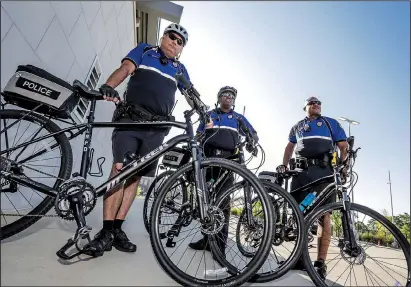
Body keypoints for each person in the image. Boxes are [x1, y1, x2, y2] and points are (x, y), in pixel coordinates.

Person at [83, 23, 191, 257]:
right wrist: (109, 86)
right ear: (163, 37)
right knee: (120, 169)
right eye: (172, 37)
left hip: (157, 129)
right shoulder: (145, 51)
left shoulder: (180, 68)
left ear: (182, 48)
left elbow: (191, 93)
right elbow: (125, 68)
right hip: (130, 118)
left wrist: (203, 111)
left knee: (135, 177)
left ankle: (117, 229)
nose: (175, 42)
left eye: (180, 41)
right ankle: (106, 231)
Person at [277, 96, 348, 279]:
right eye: (312, 102)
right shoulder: (297, 126)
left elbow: (343, 146)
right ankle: (298, 258)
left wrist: (343, 166)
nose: (316, 104)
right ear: (305, 107)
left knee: (324, 217)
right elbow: (289, 147)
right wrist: (284, 165)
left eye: (318, 102)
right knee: (299, 214)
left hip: (323, 172)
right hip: (300, 173)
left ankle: (320, 263)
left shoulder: (330, 123)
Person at [188, 86, 259, 255]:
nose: (229, 97)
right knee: (207, 203)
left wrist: (252, 142)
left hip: (228, 163)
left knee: (224, 204)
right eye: (225, 94)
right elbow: (198, 136)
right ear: (219, 98)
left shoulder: (238, 118)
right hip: (208, 161)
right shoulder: (209, 115)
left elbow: (253, 134)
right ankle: (206, 240)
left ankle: (219, 247)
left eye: (232, 95)